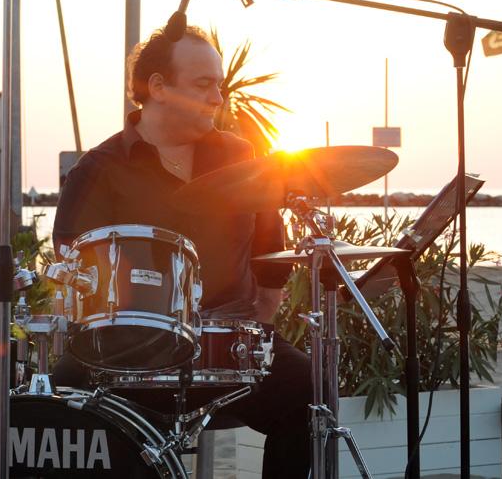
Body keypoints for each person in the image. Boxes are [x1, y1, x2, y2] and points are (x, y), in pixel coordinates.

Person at [51, 24, 311, 478]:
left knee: (307, 387)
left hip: (229, 343)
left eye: (219, 85)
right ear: (158, 87)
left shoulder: (240, 156)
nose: (218, 97)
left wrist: (256, 326)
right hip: (128, 353)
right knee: (56, 409)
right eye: (203, 84)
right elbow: (72, 262)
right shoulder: (98, 169)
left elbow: (271, 252)